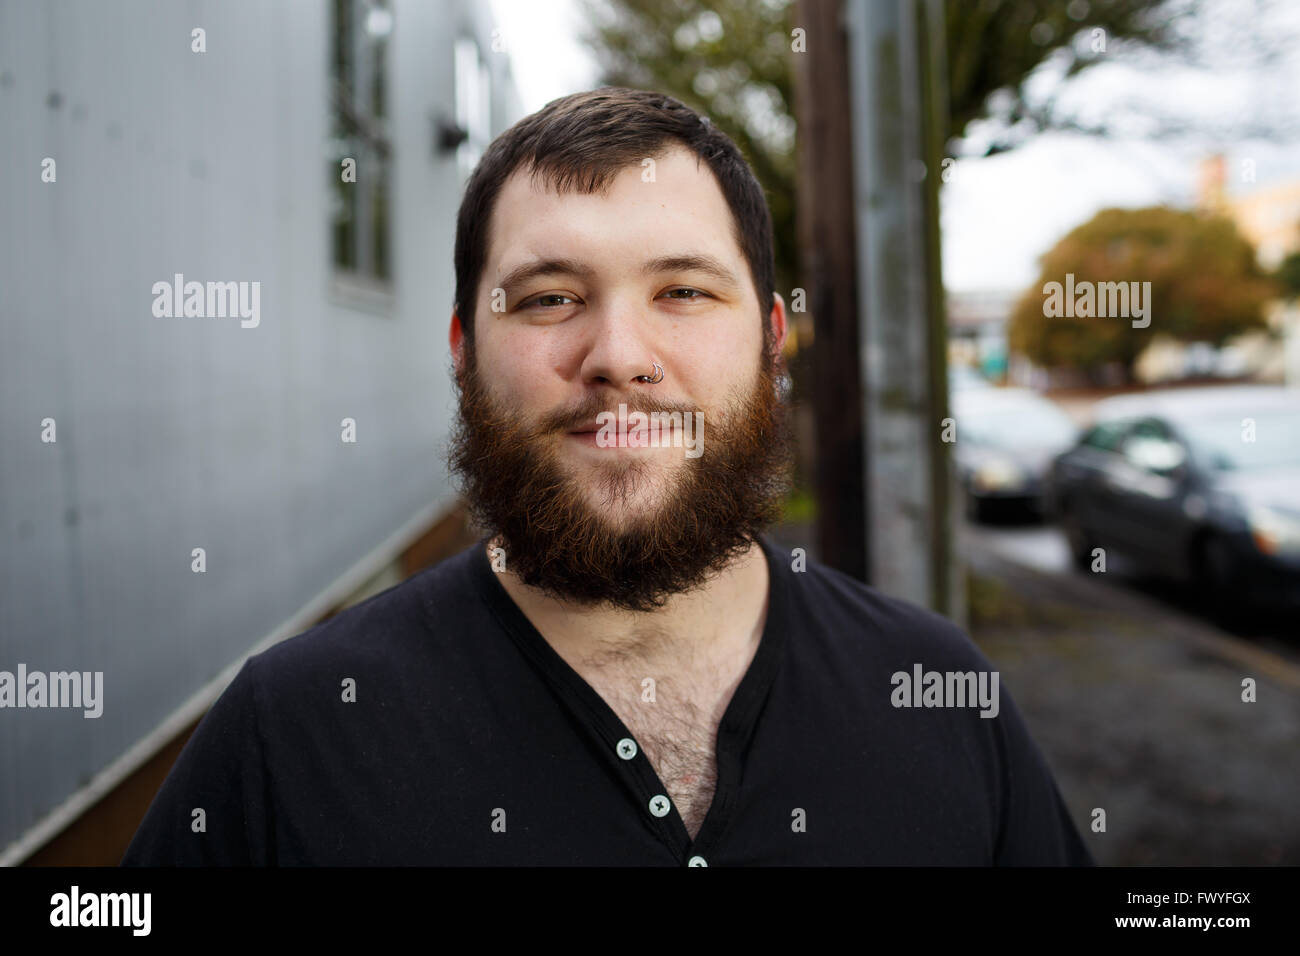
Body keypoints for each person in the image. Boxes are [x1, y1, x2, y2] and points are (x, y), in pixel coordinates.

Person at [122, 87, 1092, 866]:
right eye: (550, 297)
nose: (619, 355)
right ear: (463, 351)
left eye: (682, 290)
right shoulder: (290, 734)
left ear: (770, 338)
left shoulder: (936, 686)